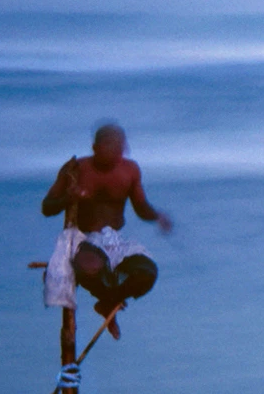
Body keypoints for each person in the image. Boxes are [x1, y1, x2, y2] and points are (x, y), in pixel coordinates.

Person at [41, 123, 171, 335]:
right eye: (112, 147)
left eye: (121, 148)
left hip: (116, 241)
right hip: (84, 239)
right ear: (95, 148)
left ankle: (109, 302)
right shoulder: (76, 169)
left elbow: (140, 207)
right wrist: (68, 198)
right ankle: (109, 300)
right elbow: (47, 207)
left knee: (147, 274)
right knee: (89, 268)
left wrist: (157, 217)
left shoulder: (130, 170)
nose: (119, 153)